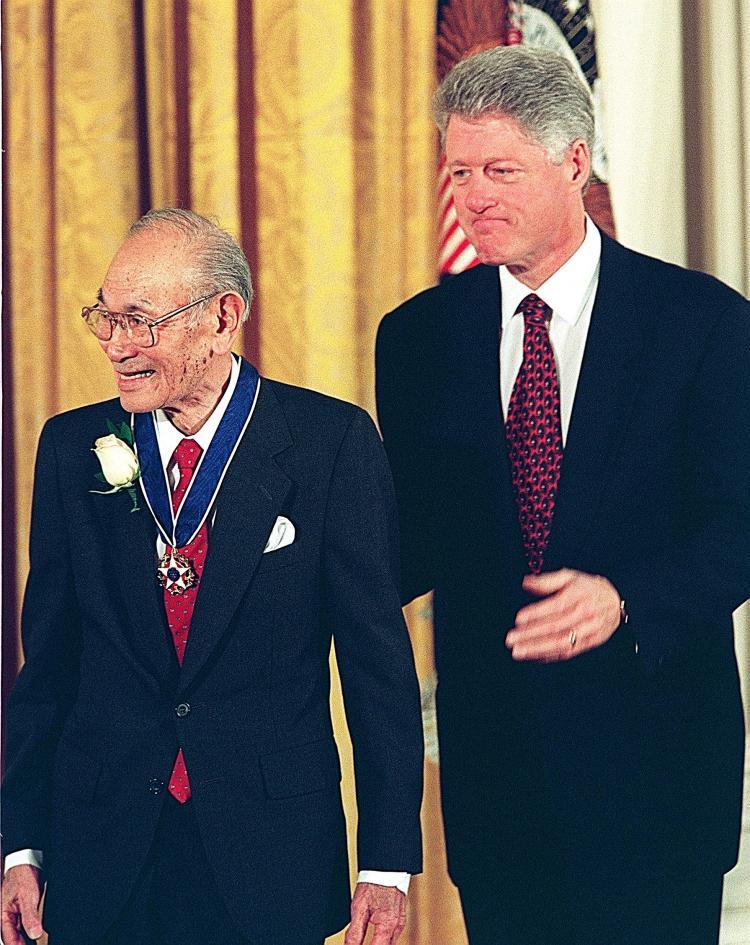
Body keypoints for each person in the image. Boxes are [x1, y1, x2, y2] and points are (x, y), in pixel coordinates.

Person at [376, 45, 750, 945]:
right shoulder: (419, 337)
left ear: (575, 161)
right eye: (458, 171)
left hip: (658, 773)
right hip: (497, 781)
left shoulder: (701, 323)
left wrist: (625, 598)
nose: (473, 196)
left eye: (500, 169)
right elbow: (412, 541)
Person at [2, 208, 423, 945]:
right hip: (103, 850)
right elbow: (50, 670)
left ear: (222, 316)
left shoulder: (332, 444)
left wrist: (386, 864)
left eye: (140, 321)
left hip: (270, 852)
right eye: (105, 318)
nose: (116, 345)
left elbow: (376, 670)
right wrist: (21, 845)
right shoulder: (74, 448)